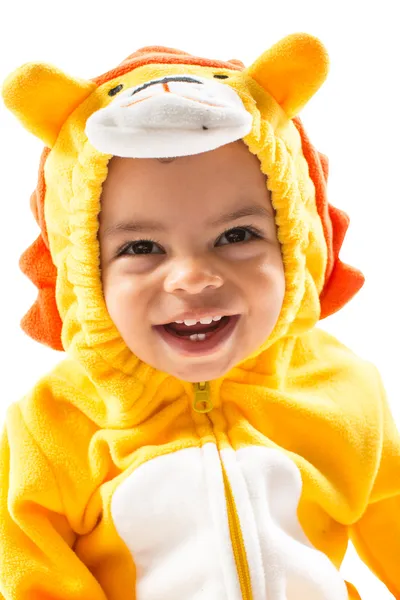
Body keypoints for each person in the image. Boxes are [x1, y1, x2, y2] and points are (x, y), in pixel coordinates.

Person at [0, 32, 399, 600]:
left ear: (299, 243)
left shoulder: (346, 391)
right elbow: (28, 567)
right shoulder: (54, 424)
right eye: (141, 248)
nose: (191, 276)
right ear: (83, 276)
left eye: (237, 235)